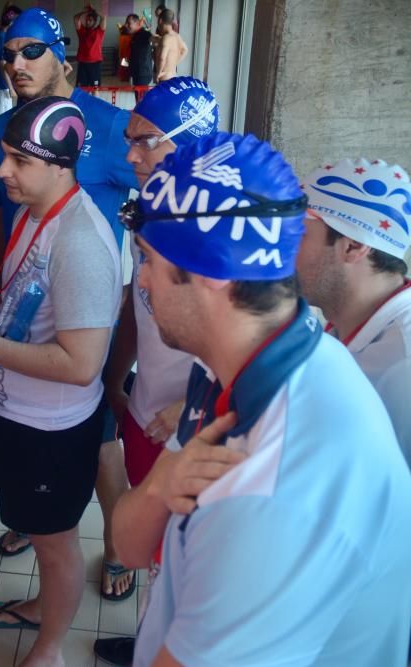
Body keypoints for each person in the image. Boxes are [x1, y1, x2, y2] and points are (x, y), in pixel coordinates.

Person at [111, 132, 411, 667]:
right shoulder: (238, 370)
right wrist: (162, 481)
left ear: (206, 273)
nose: (144, 282)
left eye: (147, 258)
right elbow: (129, 548)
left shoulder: (279, 486)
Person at [0, 96, 121, 667]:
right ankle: (46, 605)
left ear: (59, 165)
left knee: (56, 542)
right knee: (40, 533)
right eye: (4, 156)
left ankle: (50, 649)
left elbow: (81, 364)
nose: (2, 171)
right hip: (16, 412)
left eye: (19, 160)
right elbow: (24, 293)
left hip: (52, 429)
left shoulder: (80, 242)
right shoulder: (34, 217)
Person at [0, 8, 138, 599]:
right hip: (26, 301)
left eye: (30, 52)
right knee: (37, 436)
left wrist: (143, 284)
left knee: (98, 442)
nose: (15, 64)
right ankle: (37, 518)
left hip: (86, 311)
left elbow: (159, 185)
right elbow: (2, 212)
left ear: (62, 57)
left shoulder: (103, 125)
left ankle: (119, 546)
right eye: (8, 53)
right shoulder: (12, 126)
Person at [94, 76, 219, 667]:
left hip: (189, 428)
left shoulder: (224, 223)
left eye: (146, 141)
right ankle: (148, 638)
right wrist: (119, 374)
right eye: (129, 139)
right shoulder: (149, 208)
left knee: (186, 559)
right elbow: (135, 304)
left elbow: (255, 336)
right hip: (148, 411)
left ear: (189, 143)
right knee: (155, 561)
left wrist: (196, 408)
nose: (130, 155)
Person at [296, 158, 411, 464]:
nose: (282, 249)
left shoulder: (404, 365)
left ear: (353, 247)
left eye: (298, 235)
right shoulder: (337, 328)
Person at [0, 6, 22, 115]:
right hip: (2, 86)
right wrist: (11, 88)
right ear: (11, 23)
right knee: (2, 118)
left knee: (3, 116)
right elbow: (2, 64)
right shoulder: (1, 38)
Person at [74, 5, 106, 87]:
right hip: (83, 63)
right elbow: (76, 18)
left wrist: (94, 10)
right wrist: (84, 12)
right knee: (81, 88)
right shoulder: (81, 31)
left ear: (95, 21)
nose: (88, 22)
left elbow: (103, 18)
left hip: (95, 64)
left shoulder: (99, 31)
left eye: (90, 20)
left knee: (95, 88)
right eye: (87, 20)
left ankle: (94, 100)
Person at [155, 10, 186, 82]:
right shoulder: (177, 36)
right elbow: (185, 50)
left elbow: (162, 57)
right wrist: (174, 63)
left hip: (164, 78)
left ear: (160, 20)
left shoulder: (166, 38)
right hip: (173, 75)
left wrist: (159, 73)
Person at [126, 14, 154, 87]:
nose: (126, 25)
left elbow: (153, 38)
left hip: (143, 74)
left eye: (129, 23)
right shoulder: (135, 35)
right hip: (137, 73)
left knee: (141, 98)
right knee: (138, 97)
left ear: (137, 23)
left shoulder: (144, 34)